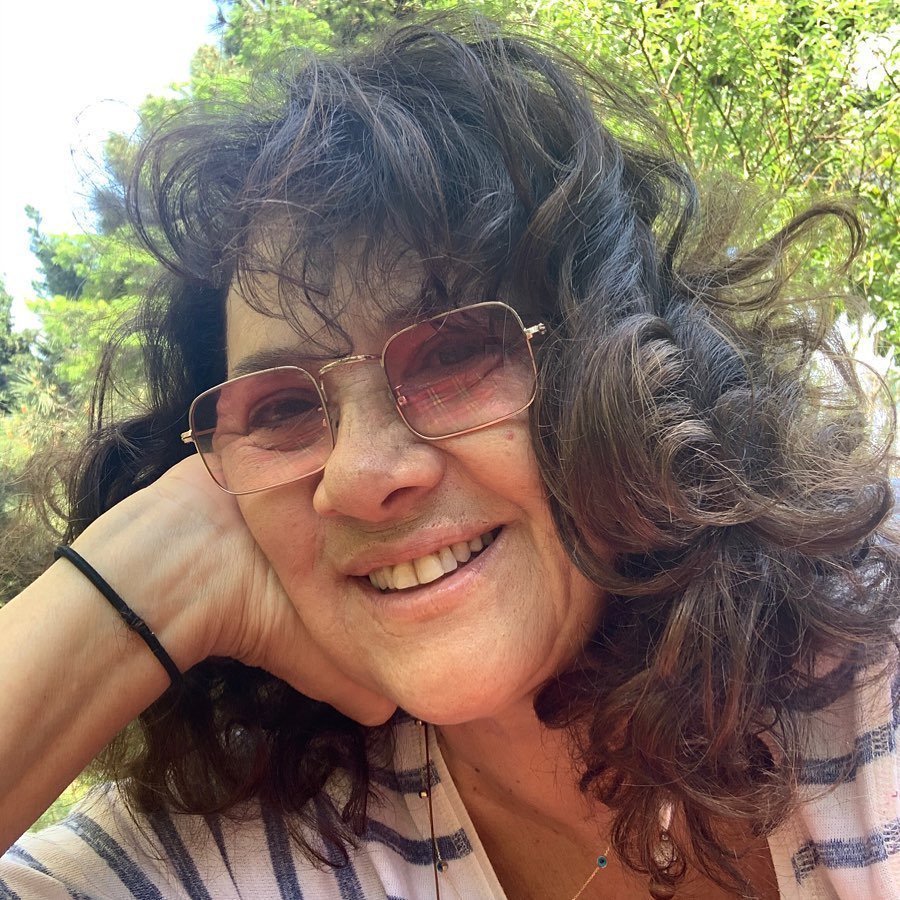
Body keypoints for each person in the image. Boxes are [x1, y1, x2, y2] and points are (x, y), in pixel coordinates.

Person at [1, 14, 898, 900]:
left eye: (455, 353)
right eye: (281, 408)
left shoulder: (872, 668)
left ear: (627, 371)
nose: (360, 477)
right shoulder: (249, 831)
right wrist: (144, 576)